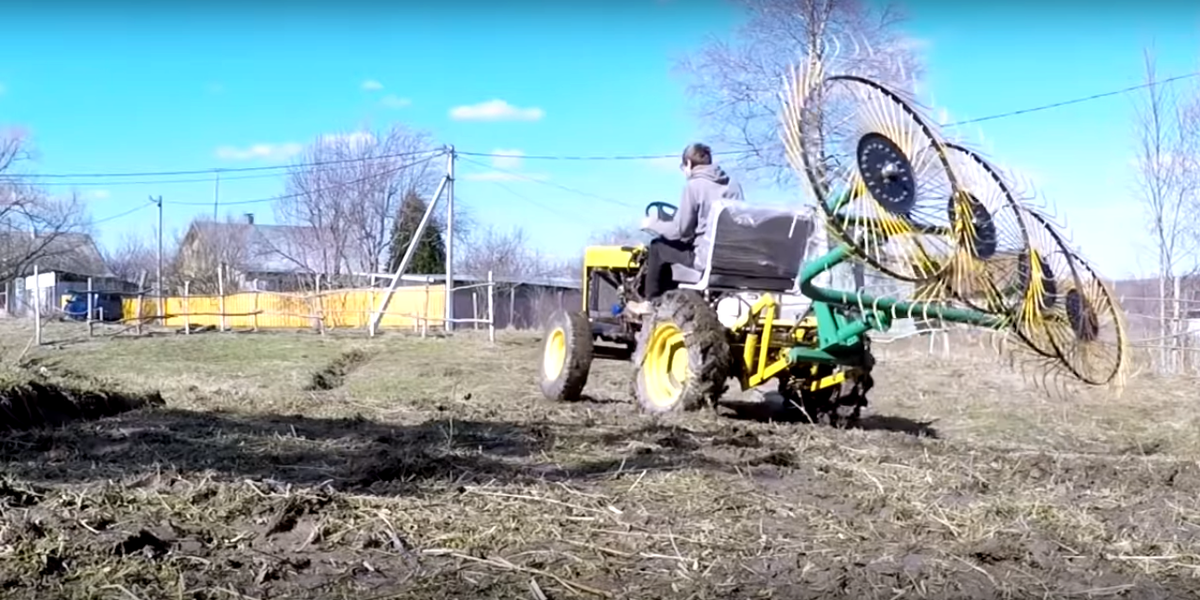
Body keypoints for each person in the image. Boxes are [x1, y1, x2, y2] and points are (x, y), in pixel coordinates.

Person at [625, 142, 745, 315]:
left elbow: (680, 231)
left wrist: (652, 223)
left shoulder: (693, 186)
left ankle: (651, 302)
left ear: (688, 164)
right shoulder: (733, 186)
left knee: (658, 247)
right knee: (671, 249)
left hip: (704, 257)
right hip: (729, 256)